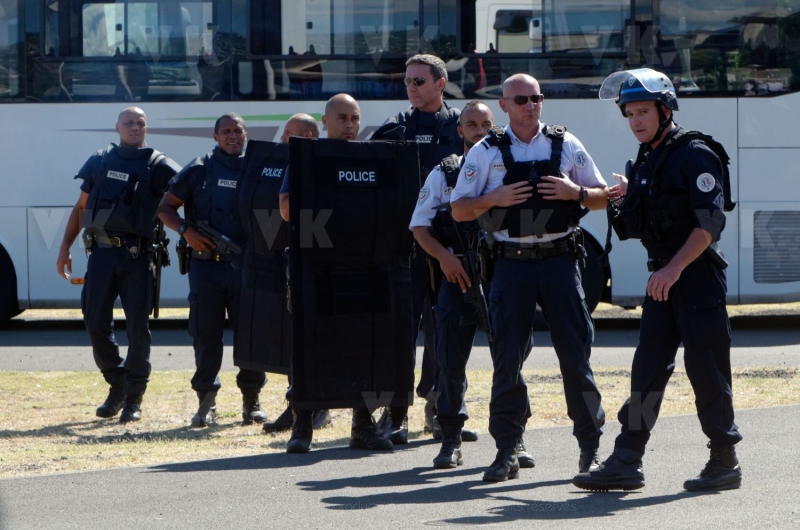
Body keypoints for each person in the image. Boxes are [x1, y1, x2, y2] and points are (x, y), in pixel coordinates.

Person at [573, 68, 742, 492]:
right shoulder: (650, 158)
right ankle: (627, 457)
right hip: (663, 280)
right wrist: (629, 198)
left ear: (664, 110)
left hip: (694, 277)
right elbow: (636, 226)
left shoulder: (694, 153)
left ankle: (724, 459)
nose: (635, 121)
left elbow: (710, 224)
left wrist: (673, 268)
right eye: (629, 113)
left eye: (643, 111)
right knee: (647, 369)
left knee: (706, 370)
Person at [450, 74, 608, 482]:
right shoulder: (486, 151)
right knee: (507, 360)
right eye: (521, 99)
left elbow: (602, 197)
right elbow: (460, 210)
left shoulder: (566, 144)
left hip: (559, 262)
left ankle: (590, 447)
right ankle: (507, 449)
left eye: (536, 97)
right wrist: (494, 199)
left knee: (576, 357)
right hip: (511, 264)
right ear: (504, 105)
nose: (530, 105)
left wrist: (575, 193)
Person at [279, 93, 393, 454]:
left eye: (355, 118)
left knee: (364, 344)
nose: (349, 125)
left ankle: (362, 426)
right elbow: (285, 210)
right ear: (325, 122)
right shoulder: (305, 158)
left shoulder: (372, 158)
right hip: (315, 267)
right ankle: (302, 426)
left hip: (362, 265)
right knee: (310, 345)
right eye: (341, 117)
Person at [56, 107, 181, 423]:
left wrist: (186, 231)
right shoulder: (100, 160)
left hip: (137, 257)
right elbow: (81, 208)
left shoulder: (159, 165)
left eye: (141, 123)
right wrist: (64, 249)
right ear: (117, 127)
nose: (135, 127)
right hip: (100, 255)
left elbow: (184, 198)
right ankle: (117, 383)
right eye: (129, 123)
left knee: (138, 329)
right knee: (94, 321)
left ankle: (134, 397)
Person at [370, 53, 464, 443]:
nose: (411, 88)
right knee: (400, 332)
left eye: (419, 81)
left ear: (440, 84)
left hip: (449, 245)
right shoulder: (395, 128)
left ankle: (441, 411)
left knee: (445, 332)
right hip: (405, 246)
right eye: (407, 81)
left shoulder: (462, 125)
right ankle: (396, 414)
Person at [158, 113, 268, 428]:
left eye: (239, 131)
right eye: (227, 131)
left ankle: (252, 403)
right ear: (215, 136)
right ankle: (206, 404)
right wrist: (185, 232)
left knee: (250, 336)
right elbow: (165, 208)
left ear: (246, 135)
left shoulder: (256, 168)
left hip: (245, 268)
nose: (233, 136)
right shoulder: (199, 168)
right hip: (206, 269)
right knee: (207, 335)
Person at [409, 101, 494, 468]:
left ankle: (513, 439)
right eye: (471, 124)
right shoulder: (444, 174)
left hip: (499, 279)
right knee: (449, 361)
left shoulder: (508, 172)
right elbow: (419, 227)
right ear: (459, 131)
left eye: (485, 125)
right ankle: (450, 438)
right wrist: (444, 258)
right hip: (455, 277)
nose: (478, 130)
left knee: (511, 360)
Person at [256, 113, 331, 434]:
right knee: (298, 337)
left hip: (336, 260)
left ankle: (324, 407)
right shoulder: (294, 167)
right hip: (303, 258)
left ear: (309, 135)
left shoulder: (329, 159)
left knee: (329, 336)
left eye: (289, 134)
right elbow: (285, 210)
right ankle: (297, 404)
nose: (283, 140)